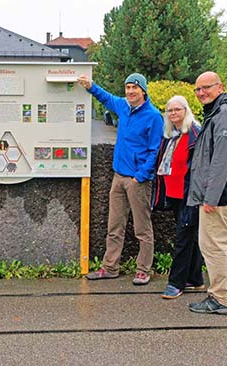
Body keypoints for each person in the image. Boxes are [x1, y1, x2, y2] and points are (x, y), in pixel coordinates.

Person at [79, 73, 163, 285]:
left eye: (135, 87)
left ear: (143, 90)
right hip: (119, 176)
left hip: (137, 180)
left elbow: (155, 150)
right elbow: (106, 98)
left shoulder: (153, 116)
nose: (130, 91)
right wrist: (90, 86)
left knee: (142, 228)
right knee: (114, 225)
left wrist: (141, 176)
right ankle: (110, 267)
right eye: (127, 87)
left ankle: (143, 269)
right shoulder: (123, 106)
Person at [187, 71, 227, 315]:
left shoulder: (225, 113)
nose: (201, 93)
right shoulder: (224, 111)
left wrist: (210, 197)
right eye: (198, 89)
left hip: (222, 196)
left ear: (220, 87)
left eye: (207, 87)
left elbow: (222, 160)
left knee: (213, 246)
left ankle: (220, 298)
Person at [151, 95, 204, 299]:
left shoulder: (194, 133)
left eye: (177, 109)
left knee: (183, 238)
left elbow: (198, 167)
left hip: (189, 194)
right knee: (189, 237)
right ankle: (195, 278)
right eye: (170, 110)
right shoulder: (172, 134)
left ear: (186, 110)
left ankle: (176, 283)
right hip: (174, 193)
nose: (173, 113)